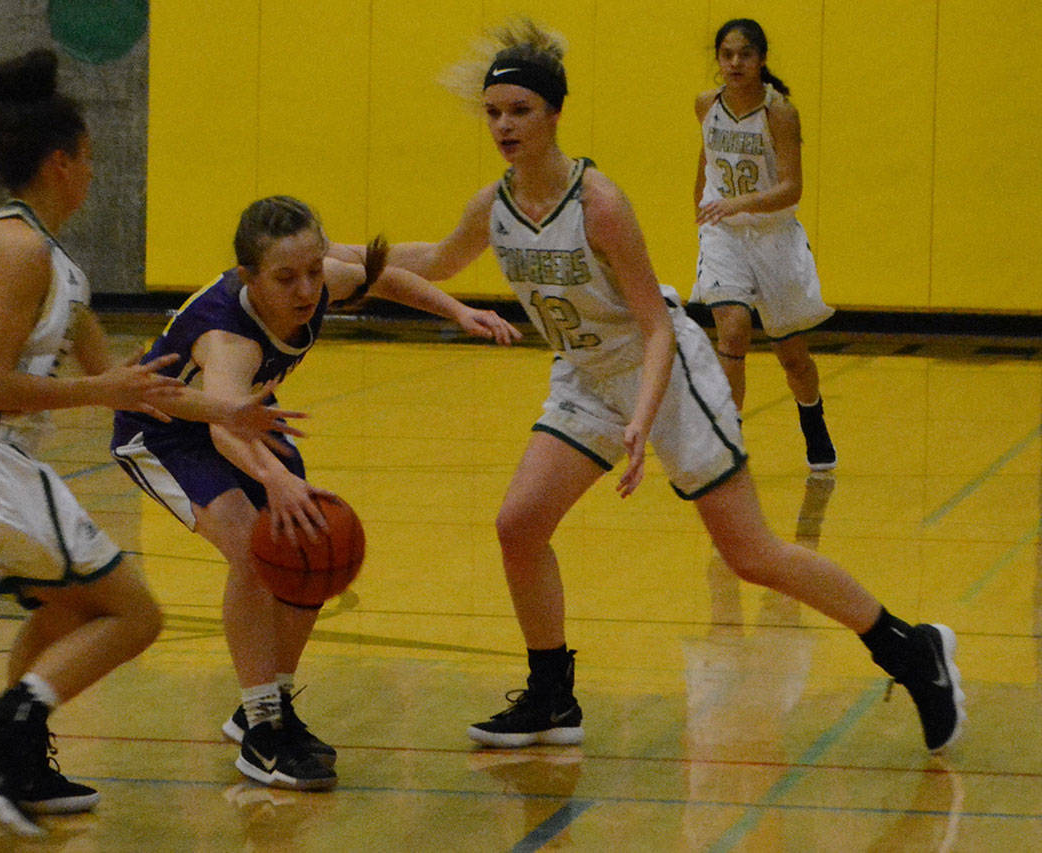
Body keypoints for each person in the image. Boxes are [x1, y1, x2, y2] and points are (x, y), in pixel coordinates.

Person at [385, 19, 964, 755]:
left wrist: (641, 418)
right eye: (494, 112)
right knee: (519, 525)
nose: (504, 125)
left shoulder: (598, 202)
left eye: (520, 110)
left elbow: (657, 326)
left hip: (667, 373)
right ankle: (552, 696)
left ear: (554, 112)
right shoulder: (493, 205)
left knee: (751, 554)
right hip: (589, 375)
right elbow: (435, 260)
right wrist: (327, 253)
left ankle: (911, 649)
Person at [0, 49, 304, 836]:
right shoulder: (17, 250)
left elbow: (133, 383)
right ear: (61, 162)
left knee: (66, 609)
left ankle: (17, 760)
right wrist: (101, 392)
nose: (93, 172)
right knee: (136, 616)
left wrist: (227, 410)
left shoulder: (57, 266)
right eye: (88, 157)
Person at [111, 195, 520, 791]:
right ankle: (262, 732)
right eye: (286, 278)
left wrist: (458, 311)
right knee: (253, 553)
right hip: (167, 432)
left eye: (313, 271)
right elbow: (223, 428)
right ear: (250, 277)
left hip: (247, 416)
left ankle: (268, 702)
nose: (306, 289)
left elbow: (383, 278)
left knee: (311, 547)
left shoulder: (318, 279)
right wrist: (278, 481)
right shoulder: (229, 339)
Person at [691, 18, 837, 470]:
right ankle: (728, 441)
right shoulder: (706, 104)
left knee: (793, 358)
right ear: (718, 59)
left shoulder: (780, 113)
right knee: (733, 330)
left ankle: (812, 418)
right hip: (724, 235)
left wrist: (737, 203)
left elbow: (792, 188)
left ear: (761, 60)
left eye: (745, 54)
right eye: (727, 54)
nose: (735, 62)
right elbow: (707, 160)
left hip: (773, 237)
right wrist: (702, 208)